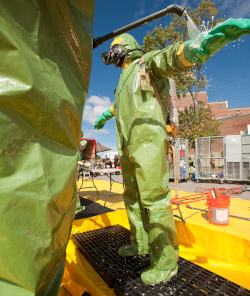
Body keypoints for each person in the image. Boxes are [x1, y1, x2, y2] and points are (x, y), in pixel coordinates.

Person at [94, 19, 250, 285]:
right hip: (127, 145)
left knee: (154, 199)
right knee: (131, 196)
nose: (112, 53)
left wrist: (202, 44)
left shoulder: (146, 63)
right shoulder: (120, 82)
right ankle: (140, 243)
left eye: (115, 46)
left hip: (148, 142)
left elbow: (172, 56)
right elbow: (122, 104)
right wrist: (106, 115)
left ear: (128, 47)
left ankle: (165, 262)